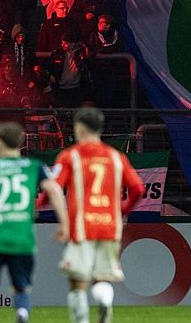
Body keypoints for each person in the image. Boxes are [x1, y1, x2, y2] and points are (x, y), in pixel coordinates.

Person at [0, 122, 69, 323]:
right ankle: (22, 312)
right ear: (20, 143)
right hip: (22, 239)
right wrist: (64, 224)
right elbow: (54, 190)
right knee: (21, 288)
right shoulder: (34, 167)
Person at [54, 107, 144, 323]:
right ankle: (104, 301)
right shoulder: (116, 157)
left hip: (82, 227)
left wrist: (41, 206)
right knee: (102, 278)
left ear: (80, 128)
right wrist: (122, 210)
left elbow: (54, 187)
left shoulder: (70, 156)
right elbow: (138, 189)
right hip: (109, 225)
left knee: (77, 282)